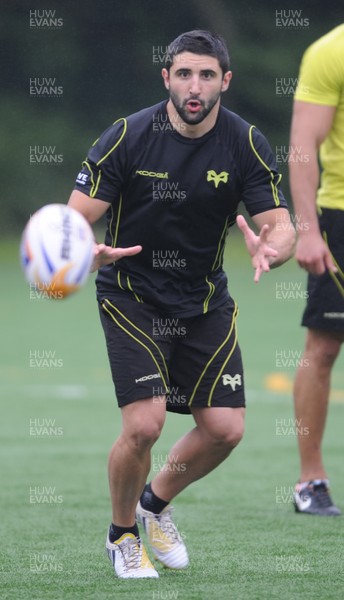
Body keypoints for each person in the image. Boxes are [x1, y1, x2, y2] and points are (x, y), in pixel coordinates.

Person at [68, 30, 295, 578]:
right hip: (131, 296)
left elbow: (281, 225)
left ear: (225, 81)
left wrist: (275, 247)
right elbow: (74, 217)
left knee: (226, 429)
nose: (196, 87)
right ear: (166, 76)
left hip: (203, 299)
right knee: (144, 426)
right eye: (185, 74)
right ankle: (122, 535)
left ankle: (154, 505)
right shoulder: (128, 135)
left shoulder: (245, 143)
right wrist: (84, 251)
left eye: (208, 75)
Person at [289, 24, 344, 516]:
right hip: (340, 215)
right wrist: (307, 229)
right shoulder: (330, 51)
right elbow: (304, 142)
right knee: (324, 345)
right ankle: (311, 481)